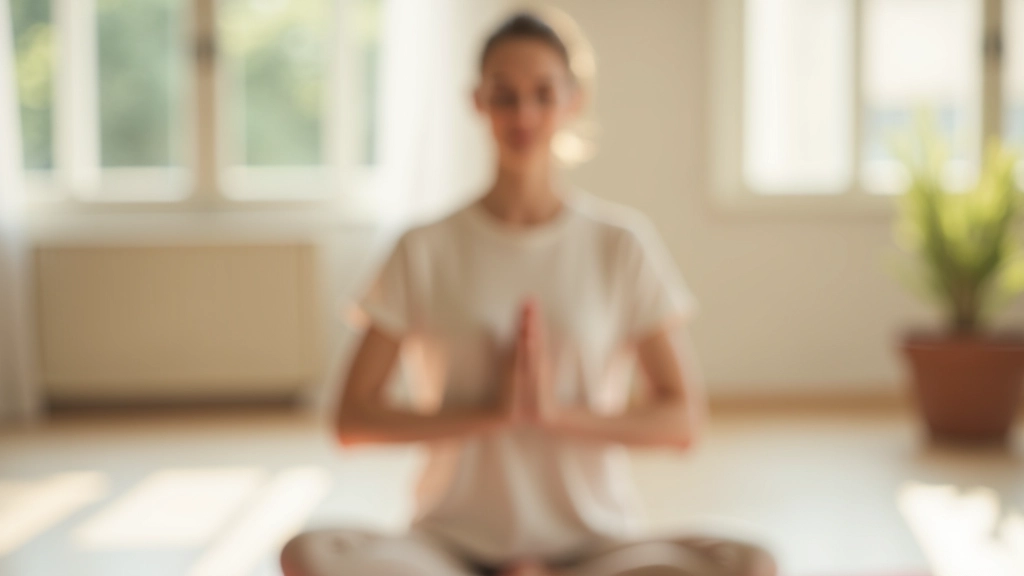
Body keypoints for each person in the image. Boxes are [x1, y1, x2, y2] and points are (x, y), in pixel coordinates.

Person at [281, 12, 776, 576]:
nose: (524, 114)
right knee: (310, 553)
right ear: (477, 102)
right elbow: (352, 419)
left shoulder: (620, 245)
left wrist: (553, 414)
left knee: (750, 563)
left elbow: (681, 421)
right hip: (449, 550)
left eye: (542, 94)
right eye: (505, 95)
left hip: (593, 550)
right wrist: (489, 413)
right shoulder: (422, 247)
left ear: (573, 101)